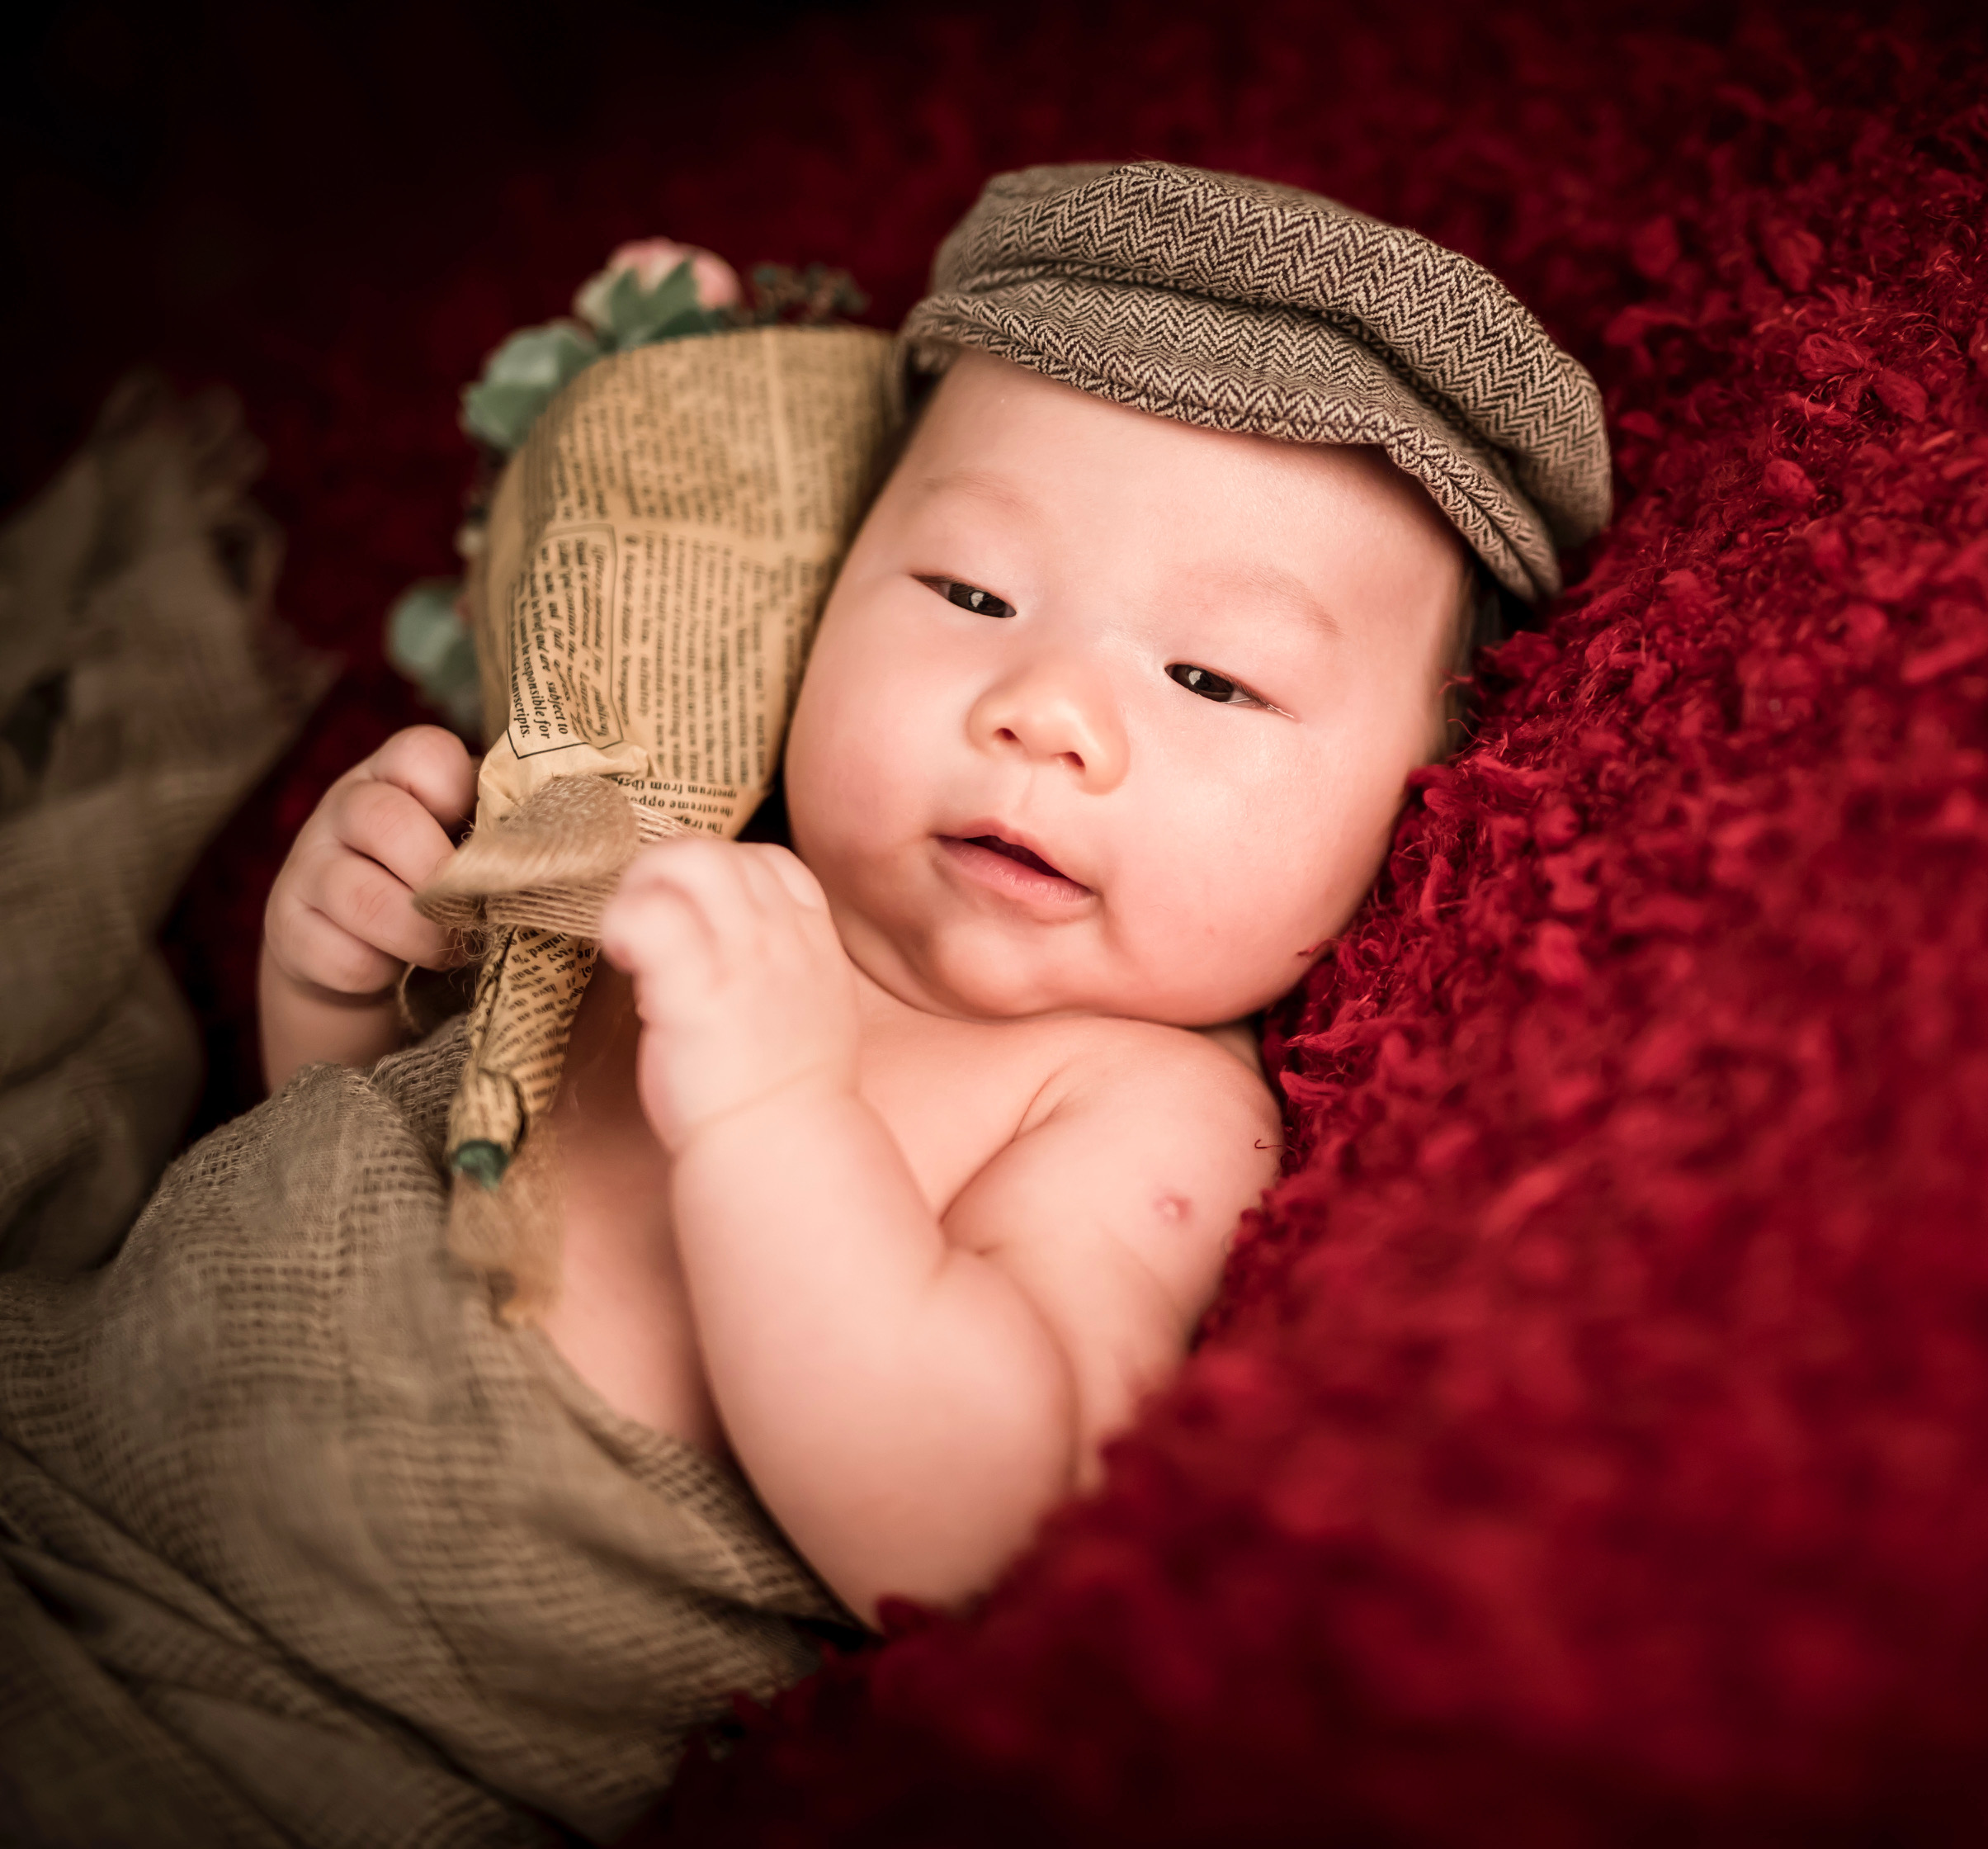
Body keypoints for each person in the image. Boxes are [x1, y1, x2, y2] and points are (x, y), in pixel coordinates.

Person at [2, 161, 1608, 1844]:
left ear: (1422, 795)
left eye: (1211, 677)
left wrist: (779, 1120)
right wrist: (335, 985)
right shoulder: (711, 857)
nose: (1043, 708)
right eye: (969, 594)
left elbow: (971, 1528)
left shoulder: (1137, 1102)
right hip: (64, 1432)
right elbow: (386, 1186)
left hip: (299, 1731)